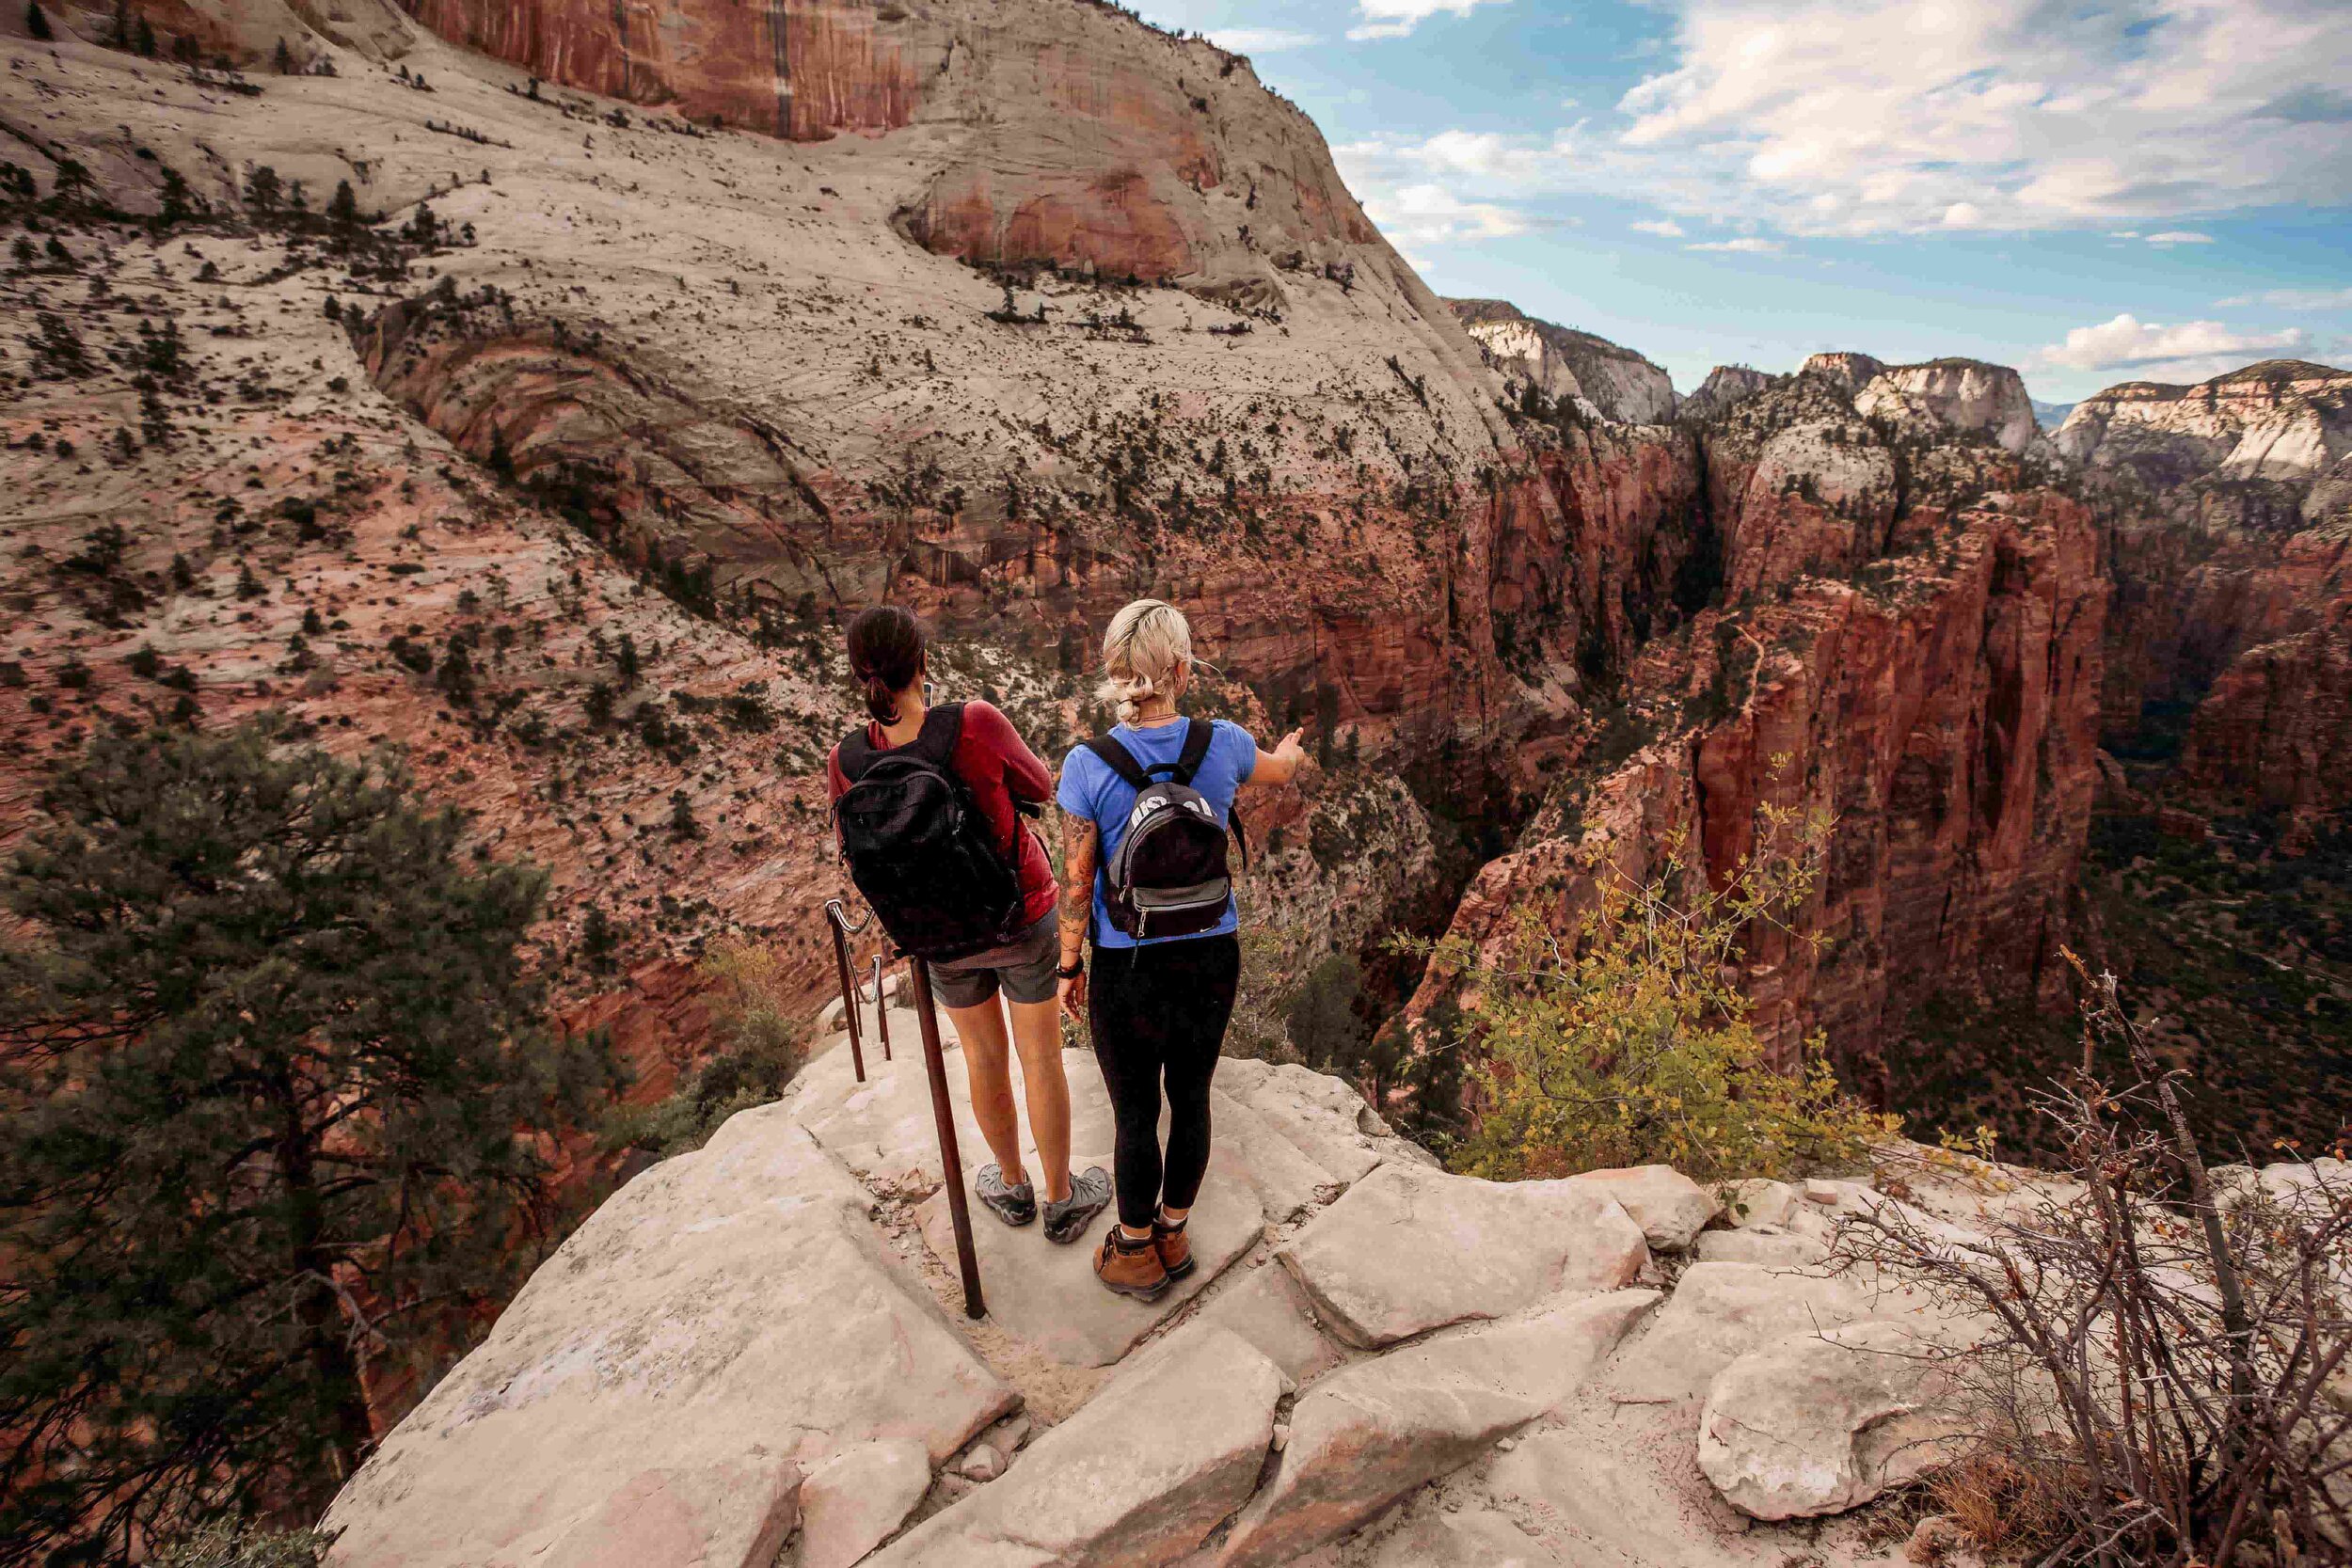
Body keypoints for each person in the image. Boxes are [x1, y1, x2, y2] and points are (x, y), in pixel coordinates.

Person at [826, 606, 1111, 1243]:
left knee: (983, 1059)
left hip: (939, 938)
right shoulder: (974, 723)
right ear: (922, 663)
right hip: (1018, 915)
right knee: (1040, 1059)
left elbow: (855, 850)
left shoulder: (844, 762)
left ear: (859, 676)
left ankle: (1012, 1187)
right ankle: (1063, 1198)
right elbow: (1039, 784)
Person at [1055, 600, 1306, 1299]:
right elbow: (1279, 772)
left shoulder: (1085, 764)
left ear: (1114, 674)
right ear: (1183, 669)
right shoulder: (1221, 743)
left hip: (1127, 965)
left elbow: (1076, 885)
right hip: (1209, 957)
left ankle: (1134, 1250)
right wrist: (1292, 752)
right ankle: (1174, 1228)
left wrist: (1068, 966)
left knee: (1135, 1110)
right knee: (1190, 1096)